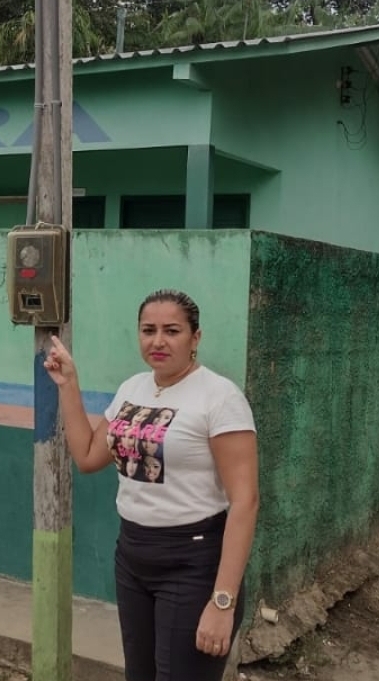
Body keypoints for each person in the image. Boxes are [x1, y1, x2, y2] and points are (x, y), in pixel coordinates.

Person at [44, 289, 259, 681]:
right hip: (133, 556)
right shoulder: (133, 389)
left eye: (172, 330)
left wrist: (222, 602)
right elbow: (90, 456)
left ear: (195, 338)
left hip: (193, 562)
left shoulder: (219, 397)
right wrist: (68, 385)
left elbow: (245, 501)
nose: (158, 341)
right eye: (148, 330)